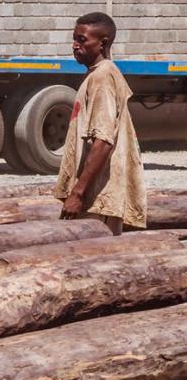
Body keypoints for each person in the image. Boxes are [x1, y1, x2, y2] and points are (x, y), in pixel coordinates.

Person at [55, 12, 146, 234]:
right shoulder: (98, 74)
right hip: (96, 195)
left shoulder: (102, 77)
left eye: (82, 40)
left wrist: (78, 193)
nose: (75, 46)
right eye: (74, 39)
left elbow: (103, 141)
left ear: (102, 43)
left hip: (99, 196)